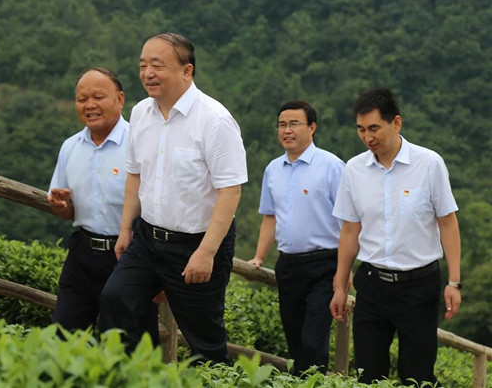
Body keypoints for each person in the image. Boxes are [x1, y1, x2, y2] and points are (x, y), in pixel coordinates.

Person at [98, 32, 247, 363]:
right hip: (147, 239)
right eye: (143, 65)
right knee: (116, 300)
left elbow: (230, 191)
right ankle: (136, 376)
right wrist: (125, 229)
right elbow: (135, 174)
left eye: (157, 65)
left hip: (196, 244)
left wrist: (206, 253)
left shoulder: (215, 120)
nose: (148, 73)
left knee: (204, 343)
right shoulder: (141, 113)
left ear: (186, 71)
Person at [329, 88, 461, 385]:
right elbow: (350, 230)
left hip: (419, 286)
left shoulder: (429, 164)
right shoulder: (354, 169)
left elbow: (448, 222)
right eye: (361, 129)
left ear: (396, 123)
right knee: (367, 374)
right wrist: (339, 286)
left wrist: (454, 282)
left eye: (374, 128)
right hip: (372, 284)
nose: (367, 137)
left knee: (417, 376)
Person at [248, 100, 344, 375]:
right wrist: (259, 257)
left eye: (294, 124)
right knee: (296, 341)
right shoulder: (273, 169)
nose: (286, 130)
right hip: (288, 266)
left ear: (312, 127)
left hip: (325, 265)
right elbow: (270, 217)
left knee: (313, 341)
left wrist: (345, 269)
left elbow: (349, 222)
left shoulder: (332, 166)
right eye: (282, 125)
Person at [47, 67, 129, 332]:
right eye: (82, 99)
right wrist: (61, 205)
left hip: (127, 256)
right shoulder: (70, 147)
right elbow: (67, 211)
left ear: (120, 99)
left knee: (123, 341)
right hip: (82, 255)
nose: (89, 105)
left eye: (98, 97)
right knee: (63, 335)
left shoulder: (138, 144)